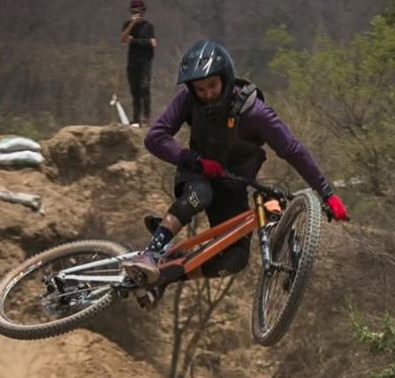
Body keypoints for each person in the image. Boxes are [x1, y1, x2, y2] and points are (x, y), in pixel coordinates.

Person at [122, 39, 349, 285]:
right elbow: (155, 138)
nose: (207, 94)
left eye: (212, 85)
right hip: (196, 175)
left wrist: (326, 193)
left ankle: (164, 278)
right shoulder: (187, 100)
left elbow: (292, 150)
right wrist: (193, 160)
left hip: (232, 187)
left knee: (236, 259)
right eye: (200, 89)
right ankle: (150, 253)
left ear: (226, 78)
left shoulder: (255, 113)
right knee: (201, 192)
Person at [119, 0, 156, 127]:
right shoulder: (127, 25)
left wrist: (134, 41)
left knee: (144, 88)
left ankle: (146, 117)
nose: (138, 14)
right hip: (132, 62)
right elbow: (123, 39)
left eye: (140, 12)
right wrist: (131, 24)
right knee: (135, 91)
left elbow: (153, 43)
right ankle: (136, 119)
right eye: (135, 12)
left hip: (145, 62)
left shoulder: (148, 26)